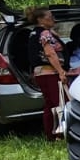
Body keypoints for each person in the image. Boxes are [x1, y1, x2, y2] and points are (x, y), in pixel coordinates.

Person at [26, 7, 69, 140]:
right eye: (50, 17)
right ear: (40, 19)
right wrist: (61, 72)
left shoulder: (34, 33)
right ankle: (60, 133)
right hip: (50, 72)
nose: (53, 19)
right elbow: (50, 53)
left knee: (49, 103)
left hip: (40, 74)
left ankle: (51, 134)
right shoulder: (45, 34)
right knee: (59, 102)